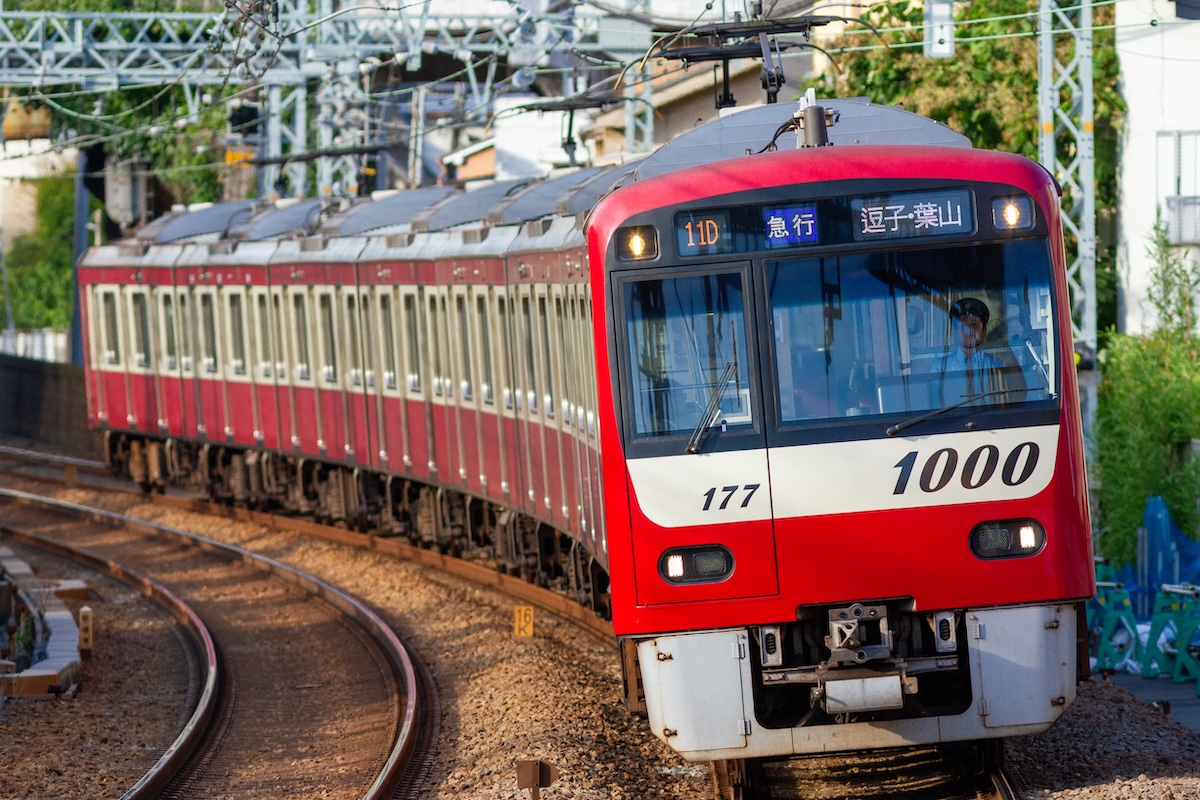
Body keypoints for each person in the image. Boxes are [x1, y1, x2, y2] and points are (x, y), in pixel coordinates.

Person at [930, 297, 1006, 405]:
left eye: (974, 325)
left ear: (984, 331)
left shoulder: (997, 366)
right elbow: (935, 408)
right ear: (955, 332)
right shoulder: (939, 369)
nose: (969, 331)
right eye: (963, 326)